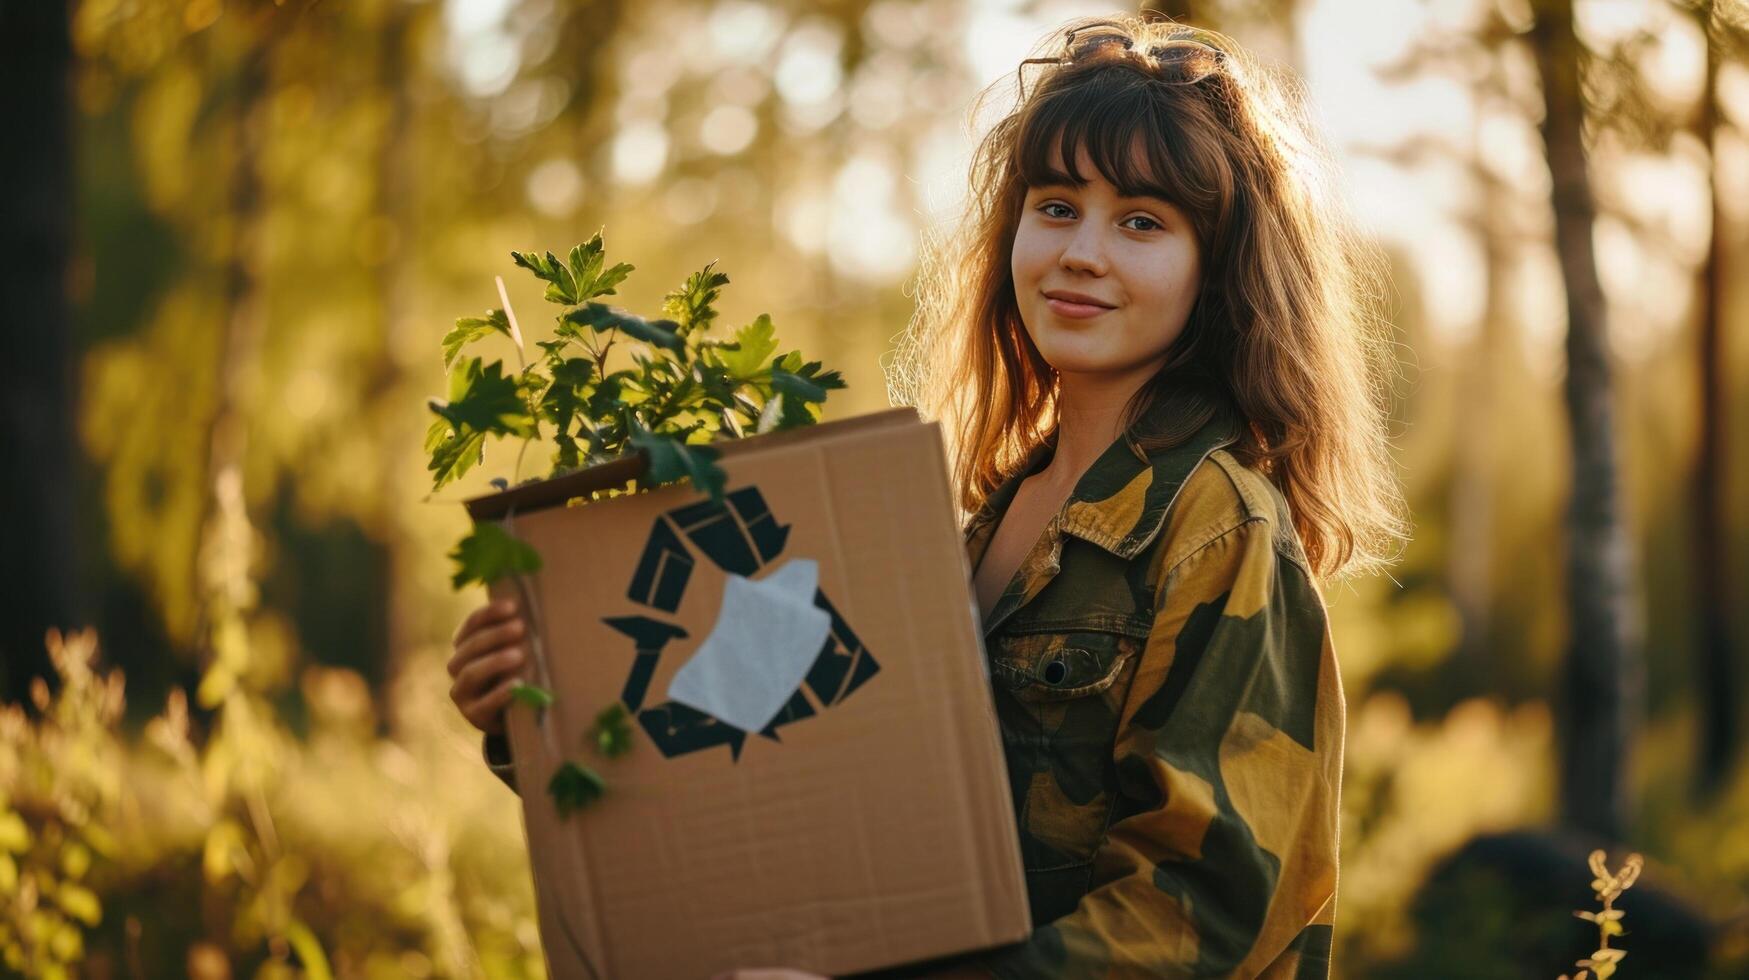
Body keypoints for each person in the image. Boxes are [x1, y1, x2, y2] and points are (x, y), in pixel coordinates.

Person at [448, 13, 1407, 978]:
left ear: (1219, 269)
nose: (1081, 251)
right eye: (1057, 204)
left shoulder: (1214, 526)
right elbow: (785, 775)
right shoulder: (978, 517)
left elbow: (1203, 914)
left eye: (1143, 222)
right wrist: (540, 705)